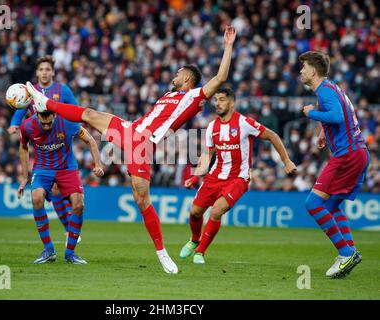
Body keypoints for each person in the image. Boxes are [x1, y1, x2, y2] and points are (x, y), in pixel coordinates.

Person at [26, 25, 238, 274]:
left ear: (188, 79)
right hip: (130, 129)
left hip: (143, 143)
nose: (175, 75)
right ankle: (45, 102)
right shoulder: (170, 94)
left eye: (179, 73)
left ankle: (162, 253)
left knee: (141, 198)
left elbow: (221, 78)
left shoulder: (194, 96)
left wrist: (228, 46)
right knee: (90, 114)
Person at [180, 88, 297, 264]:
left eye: (222, 100)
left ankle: (200, 252)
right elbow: (207, 154)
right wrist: (196, 177)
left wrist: (286, 161)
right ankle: (195, 239)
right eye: (216, 100)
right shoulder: (212, 126)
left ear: (232, 103)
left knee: (216, 211)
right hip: (214, 176)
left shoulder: (244, 123)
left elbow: (272, 135)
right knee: (195, 212)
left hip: (237, 178)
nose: (217, 103)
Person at [300, 51, 369, 278]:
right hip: (358, 153)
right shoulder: (332, 88)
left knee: (313, 204)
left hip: (346, 155)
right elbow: (343, 112)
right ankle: (350, 253)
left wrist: (313, 114)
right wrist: (323, 132)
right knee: (332, 206)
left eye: (303, 67)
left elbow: (338, 117)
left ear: (313, 70)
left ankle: (345, 252)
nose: (301, 71)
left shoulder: (324, 91)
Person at [18, 110, 104, 264]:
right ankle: (48, 250)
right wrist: (25, 176)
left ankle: (70, 254)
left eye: (49, 122)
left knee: (78, 205)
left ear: (55, 116)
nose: (45, 126)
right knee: (36, 198)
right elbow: (23, 147)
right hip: (43, 169)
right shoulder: (27, 126)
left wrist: (98, 164)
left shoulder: (68, 122)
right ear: (36, 115)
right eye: (42, 123)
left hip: (67, 168)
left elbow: (90, 139)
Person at [8, 56, 79, 236]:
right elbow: (21, 108)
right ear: (37, 72)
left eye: (47, 69)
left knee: (59, 188)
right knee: (53, 188)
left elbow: (76, 110)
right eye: (41, 70)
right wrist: (14, 123)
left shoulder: (63, 90)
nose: (44, 73)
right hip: (42, 143)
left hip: (61, 142)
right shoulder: (29, 91)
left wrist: (75, 127)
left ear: (53, 72)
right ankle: (67, 227)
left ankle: (68, 226)